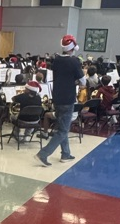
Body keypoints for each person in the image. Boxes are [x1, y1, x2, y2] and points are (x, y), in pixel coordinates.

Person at [35, 37, 84, 166]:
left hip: (57, 97)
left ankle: (66, 154)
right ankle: (43, 154)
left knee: (62, 126)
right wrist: (76, 81)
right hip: (68, 99)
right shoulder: (74, 61)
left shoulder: (55, 60)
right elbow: (83, 82)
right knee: (63, 130)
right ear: (73, 48)